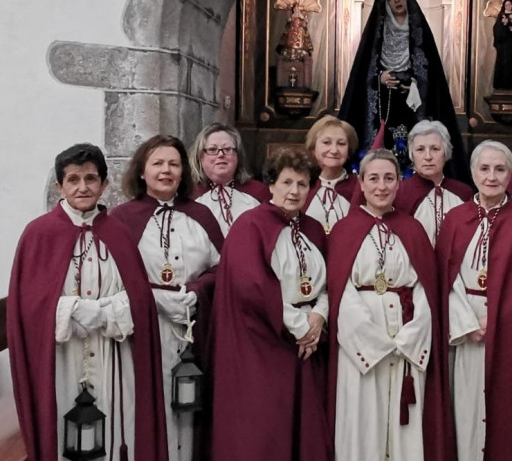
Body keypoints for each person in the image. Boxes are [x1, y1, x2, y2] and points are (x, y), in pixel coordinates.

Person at [7, 144, 168, 460]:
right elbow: (29, 307)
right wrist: (74, 311)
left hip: (114, 354)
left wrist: (110, 313)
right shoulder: (38, 234)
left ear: (104, 184)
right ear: (59, 187)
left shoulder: (117, 231)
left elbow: (140, 299)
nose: (83, 187)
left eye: (91, 179)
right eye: (73, 179)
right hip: (61, 357)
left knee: (115, 433)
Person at [326, 149, 452, 461]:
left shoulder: (413, 229)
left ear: (399, 183)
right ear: (361, 183)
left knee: (404, 424)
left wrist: (410, 339)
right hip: (360, 344)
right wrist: (372, 342)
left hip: (406, 337)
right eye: (374, 179)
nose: (381, 186)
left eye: (389, 178)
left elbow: (426, 287)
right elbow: (340, 293)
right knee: (362, 419)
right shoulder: (343, 230)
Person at [437, 140, 512, 461]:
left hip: (510, 331)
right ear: (473, 172)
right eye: (484, 168)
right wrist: (466, 321)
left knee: (504, 406)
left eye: (500, 169)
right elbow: (443, 276)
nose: (492, 176)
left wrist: (497, 320)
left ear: (510, 174)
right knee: (464, 404)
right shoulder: (454, 218)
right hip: (462, 328)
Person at [210, 148, 331, 460]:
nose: (294, 191)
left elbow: (330, 279)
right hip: (266, 343)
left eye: (302, 184)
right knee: (267, 429)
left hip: (309, 343)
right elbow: (252, 285)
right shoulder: (250, 226)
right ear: (272, 184)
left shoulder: (314, 228)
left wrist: (319, 315)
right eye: (287, 182)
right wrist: (300, 326)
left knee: (307, 428)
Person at [111, 135, 224, 461]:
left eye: (173, 164)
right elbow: (115, 276)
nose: (166, 170)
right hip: (143, 328)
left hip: (193, 327)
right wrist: (151, 299)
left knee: (191, 405)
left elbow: (224, 269)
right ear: (142, 171)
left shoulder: (201, 215)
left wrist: (197, 291)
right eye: (158, 163)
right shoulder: (122, 219)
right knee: (147, 402)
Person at [339, 0, 470, 184]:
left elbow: (430, 73)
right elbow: (363, 73)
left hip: (412, 104)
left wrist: (415, 83)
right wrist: (379, 78)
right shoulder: (378, 30)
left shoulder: (419, 30)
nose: (397, 0)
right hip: (382, 103)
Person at [394, 120, 473, 245]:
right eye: (420, 149)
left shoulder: (462, 192)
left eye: (435, 149)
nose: (428, 156)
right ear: (412, 155)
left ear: (445, 152)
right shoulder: (400, 193)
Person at [189, 122, 270, 235]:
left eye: (227, 149)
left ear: (238, 155)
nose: (220, 154)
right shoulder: (189, 195)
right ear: (200, 157)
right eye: (212, 149)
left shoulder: (259, 193)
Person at [303, 115, 360, 234]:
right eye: (326, 142)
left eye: (341, 143)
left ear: (349, 150)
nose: (334, 150)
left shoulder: (360, 187)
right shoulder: (302, 185)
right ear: (313, 147)